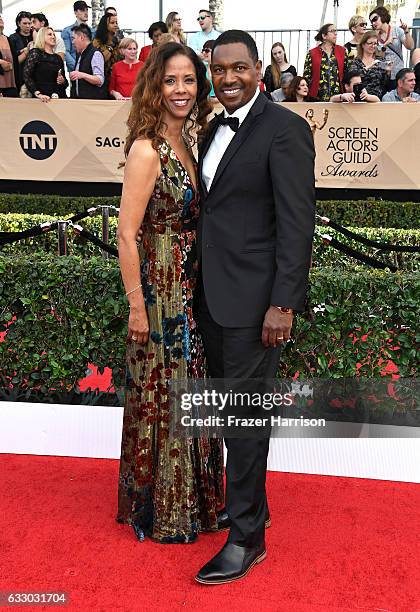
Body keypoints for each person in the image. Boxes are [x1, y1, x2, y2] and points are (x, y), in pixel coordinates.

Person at [195, 29, 315, 584]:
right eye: (218, 70)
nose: (227, 79)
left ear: (258, 70)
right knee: (229, 415)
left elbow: (297, 224)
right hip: (213, 301)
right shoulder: (211, 129)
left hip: (256, 307)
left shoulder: (285, 130)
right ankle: (247, 509)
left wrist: (283, 304)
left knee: (245, 422)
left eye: (238, 68)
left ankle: (247, 540)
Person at [116, 41, 225, 543]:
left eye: (188, 80)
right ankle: (164, 507)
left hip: (192, 287)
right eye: (170, 80)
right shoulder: (146, 149)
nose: (180, 90)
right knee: (166, 393)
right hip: (161, 295)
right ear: (154, 87)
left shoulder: (193, 142)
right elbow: (126, 232)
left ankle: (192, 500)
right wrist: (138, 305)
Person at [369, 5, 414, 88]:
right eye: (371, 21)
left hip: (397, 73)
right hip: (383, 74)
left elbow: (410, 46)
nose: (373, 23)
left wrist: (406, 32)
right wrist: (386, 44)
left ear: (382, 16)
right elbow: (378, 56)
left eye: (375, 19)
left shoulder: (397, 30)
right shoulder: (375, 35)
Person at [303, 23, 350, 101]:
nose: (335, 33)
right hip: (317, 97)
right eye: (332, 31)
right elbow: (307, 76)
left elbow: (346, 73)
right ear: (324, 36)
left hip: (338, 96)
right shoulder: (312, 53)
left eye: (336, 31)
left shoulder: (342, 51)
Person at [23, 27, 67, 101]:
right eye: (50, 34)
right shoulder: (35, 53)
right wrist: (38, 93)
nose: (53, 37)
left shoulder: (58, 58)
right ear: (42, 37)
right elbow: (27, 75)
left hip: (57, 98)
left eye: (54, 35)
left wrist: (63, 81)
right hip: (40, 98)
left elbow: (65, 83)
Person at [69, 23, 106, 99]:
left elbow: (99, 80)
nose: (72, 42)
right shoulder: (80, 54)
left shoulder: (95, 54)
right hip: (79, 102)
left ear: (81, 38)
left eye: (73, 38)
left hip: (91, 103)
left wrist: (82, 75)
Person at [351, 31, 389, 100]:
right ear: (363, 44)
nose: (373, 46)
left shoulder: (380, 60)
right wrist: (368, 68)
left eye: (375, 43)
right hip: (361, 99)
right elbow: (354, 80)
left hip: (377, 99)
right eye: (370, 43)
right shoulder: (355, 62)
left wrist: (388, 72)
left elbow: (385, 84)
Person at [62, 1, 94, 73]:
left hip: (90, 69)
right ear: (76, 13)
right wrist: (77, 67)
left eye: (86, 10)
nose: (85, 13)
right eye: (82, 10)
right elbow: (66, 52)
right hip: (75, 70)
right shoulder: (67, 31)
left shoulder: (92, 31)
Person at [93, 13, 121, 91]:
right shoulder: (97, 42)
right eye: (112, 23)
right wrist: (111, 46)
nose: (115, 25)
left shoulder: (119, 41)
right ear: (105, 25)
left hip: (117, 80)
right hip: (102, 80)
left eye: (116, 23)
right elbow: (101, 60)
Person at [8, 11, 33, 93]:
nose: (28, 26)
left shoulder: (35, 36)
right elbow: (14, 61)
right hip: (19, 76)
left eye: (29, 23)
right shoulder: (13, 38)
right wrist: (26, 51)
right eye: (25, 23)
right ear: (19, 23)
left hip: (34, 76)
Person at [0, 14, 17, 97]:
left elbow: (15, 61)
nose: (0, 19)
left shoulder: (8, 39)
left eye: (1, 18)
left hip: (10, 84)